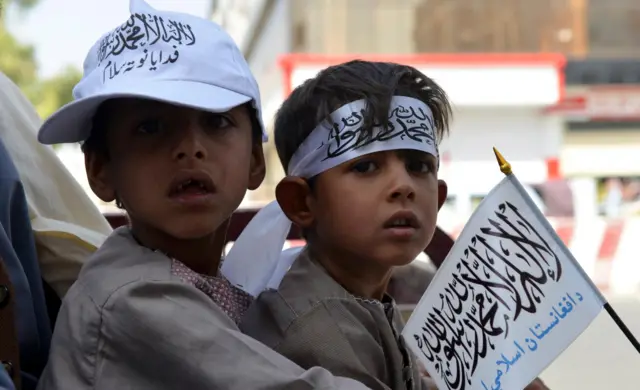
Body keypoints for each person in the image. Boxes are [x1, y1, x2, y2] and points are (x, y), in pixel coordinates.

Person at [36, 1, 370, 389]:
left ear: (254, 163)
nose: (190, 147)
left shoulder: (201, 278)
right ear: (101, 170)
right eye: (150, 127)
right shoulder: (133, 300)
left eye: (217, 122)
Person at [230, 60, 550, 390]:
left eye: (418, 165)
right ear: (302, 202)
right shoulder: (319, 329)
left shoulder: (361, 297)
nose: (403, 185)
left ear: (438, 199)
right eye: (366, 166)